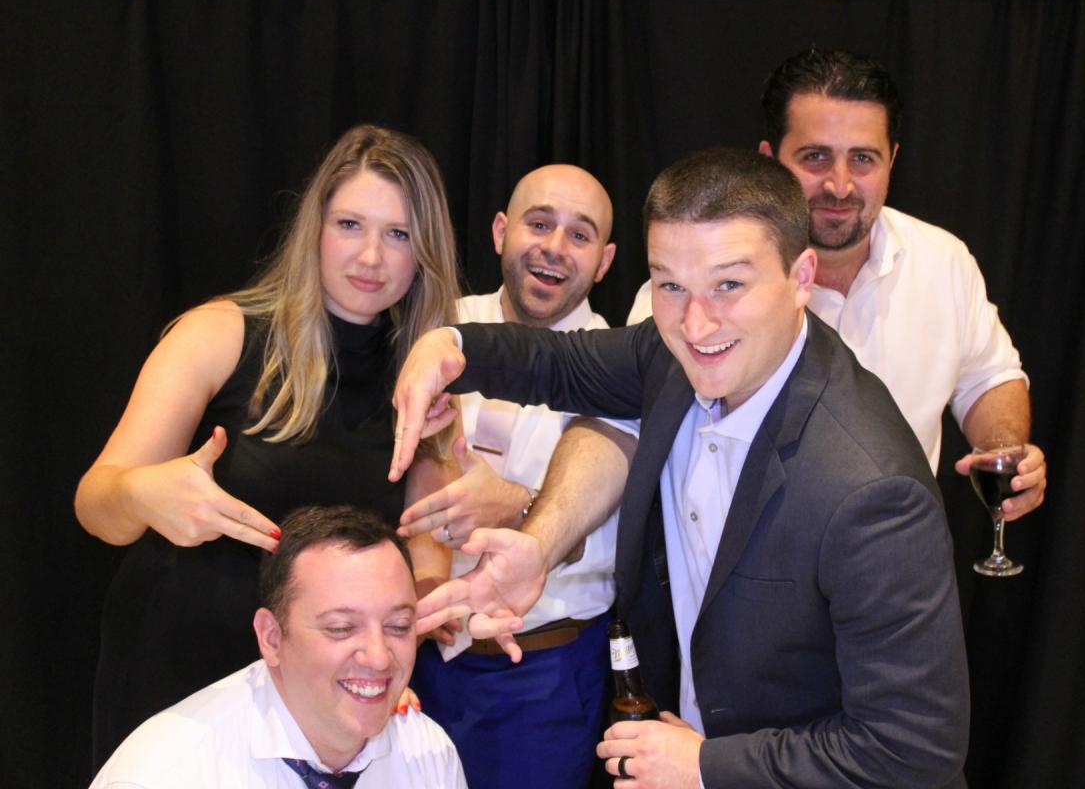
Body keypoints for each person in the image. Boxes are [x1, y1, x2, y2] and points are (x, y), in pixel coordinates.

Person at [392, 147, 970, 787]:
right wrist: (449, 347)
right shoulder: (669, 353)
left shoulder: (873, 490)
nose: (696, 324)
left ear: (801, 276)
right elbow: (559, 363)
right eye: (670, 285)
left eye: (729, 285)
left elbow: (912, 749)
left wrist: (703, 767)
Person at [75, 124, 463, 768]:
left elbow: (426, 553)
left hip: (323, 692)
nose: (371, 256)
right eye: (350, 225)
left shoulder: (425, 379)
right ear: (315, 228)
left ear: (425, 252)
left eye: (398, 234)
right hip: (180, 666)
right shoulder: (219, 334)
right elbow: (96, 504)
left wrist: (391, 653)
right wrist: (144, 493)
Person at [622, 47, 1046, 512]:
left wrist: (1003, 451)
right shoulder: (688, 288)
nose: (839, 185)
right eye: (815, 157)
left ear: (892, 160)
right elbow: (622, 424)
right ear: (768, 161)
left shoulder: (944, 262)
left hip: (895, 541)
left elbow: (989, 378)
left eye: (862, 158)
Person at [394, 164, 620, 788]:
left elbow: (627, 537)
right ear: (500, 231)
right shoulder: (434, 329)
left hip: (541, 673)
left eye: (580, 235)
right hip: (420, 656)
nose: (554, 247)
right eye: (539, 223)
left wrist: (519, 506)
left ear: (605, 262)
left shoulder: (620, 366)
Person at [90, 505, 469, 788]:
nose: (379, 656)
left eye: (398, 626)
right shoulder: (164, 775)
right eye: (341, 628)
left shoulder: (426, 754)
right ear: (271, 637)